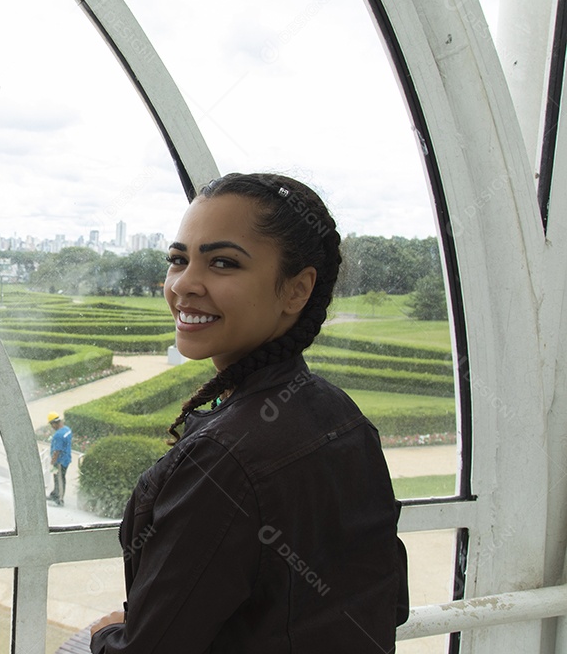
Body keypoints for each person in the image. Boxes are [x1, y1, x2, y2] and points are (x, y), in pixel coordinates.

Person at [89, 173, 408, 652]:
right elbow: (385, 600)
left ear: (296, 290)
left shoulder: (221, 461)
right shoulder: (341, 414)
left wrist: (106, 635)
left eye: (222, 263)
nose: (184, 285)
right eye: (178, 259)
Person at [47, 412, 71, 507]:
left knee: (60, 479)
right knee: (57, 477)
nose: (52, 427)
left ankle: (60, 499)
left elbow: (57, 451)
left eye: (51, 424)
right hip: (66, 459)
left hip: (60, 462)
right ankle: (54, 493)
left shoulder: (58, 435)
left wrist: (53, 461)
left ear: (55, 423)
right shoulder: (67, 430)